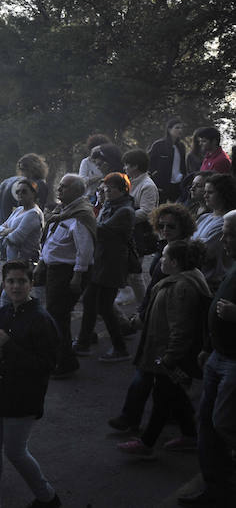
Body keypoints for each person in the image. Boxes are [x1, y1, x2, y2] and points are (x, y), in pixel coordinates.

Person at [0, 260, 61, 508]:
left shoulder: (41, 320)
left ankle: (47, 496)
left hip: (22, 400)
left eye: (21, 281)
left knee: (15, 452)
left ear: (31, 284)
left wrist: (10, 349)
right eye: (11, 281)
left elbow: (47, 365)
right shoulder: (4, 313)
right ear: (3, 284)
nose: (16, 286)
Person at [116, 240, 209, 458]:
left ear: (175, 262)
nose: (160, 261)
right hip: (165, 352)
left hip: (168, 355)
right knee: (175, 395)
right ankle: (190, 435)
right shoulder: (183, 279)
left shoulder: (181, 288)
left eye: (165, 257)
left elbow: (181, 329)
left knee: (162, 397)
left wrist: (169, 358)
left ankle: (147, 444)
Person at [110, 203, 197, 433]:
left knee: (155, 375)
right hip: (154, 312)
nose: (165, 229)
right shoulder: (165, 247)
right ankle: (142, 419)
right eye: (162, 225)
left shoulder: (180, 252)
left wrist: (144, 314)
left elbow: (171, 288)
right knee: (153, 375)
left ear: (183, 227)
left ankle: (137, 421)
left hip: (164, 321)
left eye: (171, 226)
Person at [178, 210, 236, 506]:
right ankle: (217, 489)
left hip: (233, 363)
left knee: (223, 424)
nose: (223, 239)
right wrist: (208, 347)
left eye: (229, 234)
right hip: (218, 357)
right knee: (207, 425)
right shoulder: (233, 266)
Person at [35, 174, 96, 378]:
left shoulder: (81, 215)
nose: (59, 190)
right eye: (59, 186)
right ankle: (60, 358)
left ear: (77, 191)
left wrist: (77, 276)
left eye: (64, 187)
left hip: (66, 272)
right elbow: (52, 239)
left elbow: (84, 249)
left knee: (58, 317)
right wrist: (42, 261)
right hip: (55, 269)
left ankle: (65, 362)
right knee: (56, 316)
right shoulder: (63, 210)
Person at [75, 173, 135, 362]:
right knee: (91, 300)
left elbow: (100, 229)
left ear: (123, 189)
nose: (106, 192)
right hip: (101, 260)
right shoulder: (110, 206)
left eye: (111, 189)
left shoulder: (125, 210)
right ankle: (84, 342)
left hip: (113, 263)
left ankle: (120, 347)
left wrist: (82, 217)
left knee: (105, 306)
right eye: (104, 189)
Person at [123, 148, 160, 302]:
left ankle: (144, 305)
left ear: (136, 166)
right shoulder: (129, 182)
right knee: (128, 271)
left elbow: (146, 212)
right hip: (129, 232)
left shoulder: (148, 186)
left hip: (141, 235)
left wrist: (123, 217)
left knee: (135, 273)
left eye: (127, 165)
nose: (125, 168)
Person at [193, 173, 236, 292]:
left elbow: (203, 252)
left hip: (209, 283)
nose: (205, 195)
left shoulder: (226, 223)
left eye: (210, 192)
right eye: (205, 191)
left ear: (223, 194)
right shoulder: (204, 217)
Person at [0, 179, 44, 262]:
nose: (20, 194)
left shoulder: (33, 213)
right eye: (17, 192)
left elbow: (16, 238)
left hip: (25, 262)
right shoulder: (18, 210)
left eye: (24, 192)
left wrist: (5, 233)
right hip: (12, 260)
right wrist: (10, 231)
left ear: (33, 193)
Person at [148, 119, 187, 203]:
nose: (180, 130)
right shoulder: (159, 145)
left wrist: (183, 177)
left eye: (181, 128)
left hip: (177, 184)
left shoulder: (181, 147)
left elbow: (183, 165)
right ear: (169, 130)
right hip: (162, 184)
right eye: (177, 128)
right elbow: (150, 162)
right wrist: (154, 175)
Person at [79, 134, 112, 202]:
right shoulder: (86, 162)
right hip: (89, 197)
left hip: (105, 196)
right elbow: (82, 181)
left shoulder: (109, 162)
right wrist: (99, 177)